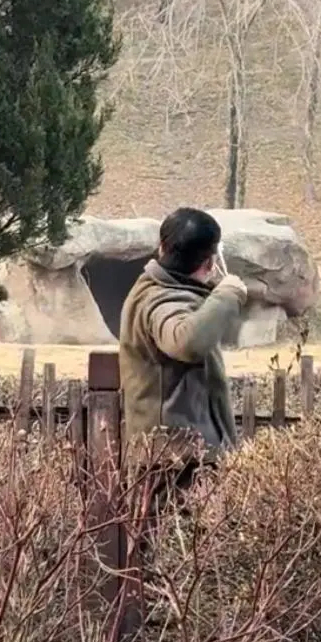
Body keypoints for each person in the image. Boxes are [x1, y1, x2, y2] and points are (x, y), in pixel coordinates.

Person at [119, 207, 260, 511]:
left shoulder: (166, 291)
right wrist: (228, 295)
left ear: (162, 247)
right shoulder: (160, 300)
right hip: (175, 466)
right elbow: (187, 342)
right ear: (210, 262)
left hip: (181, 459)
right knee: (175, 541)